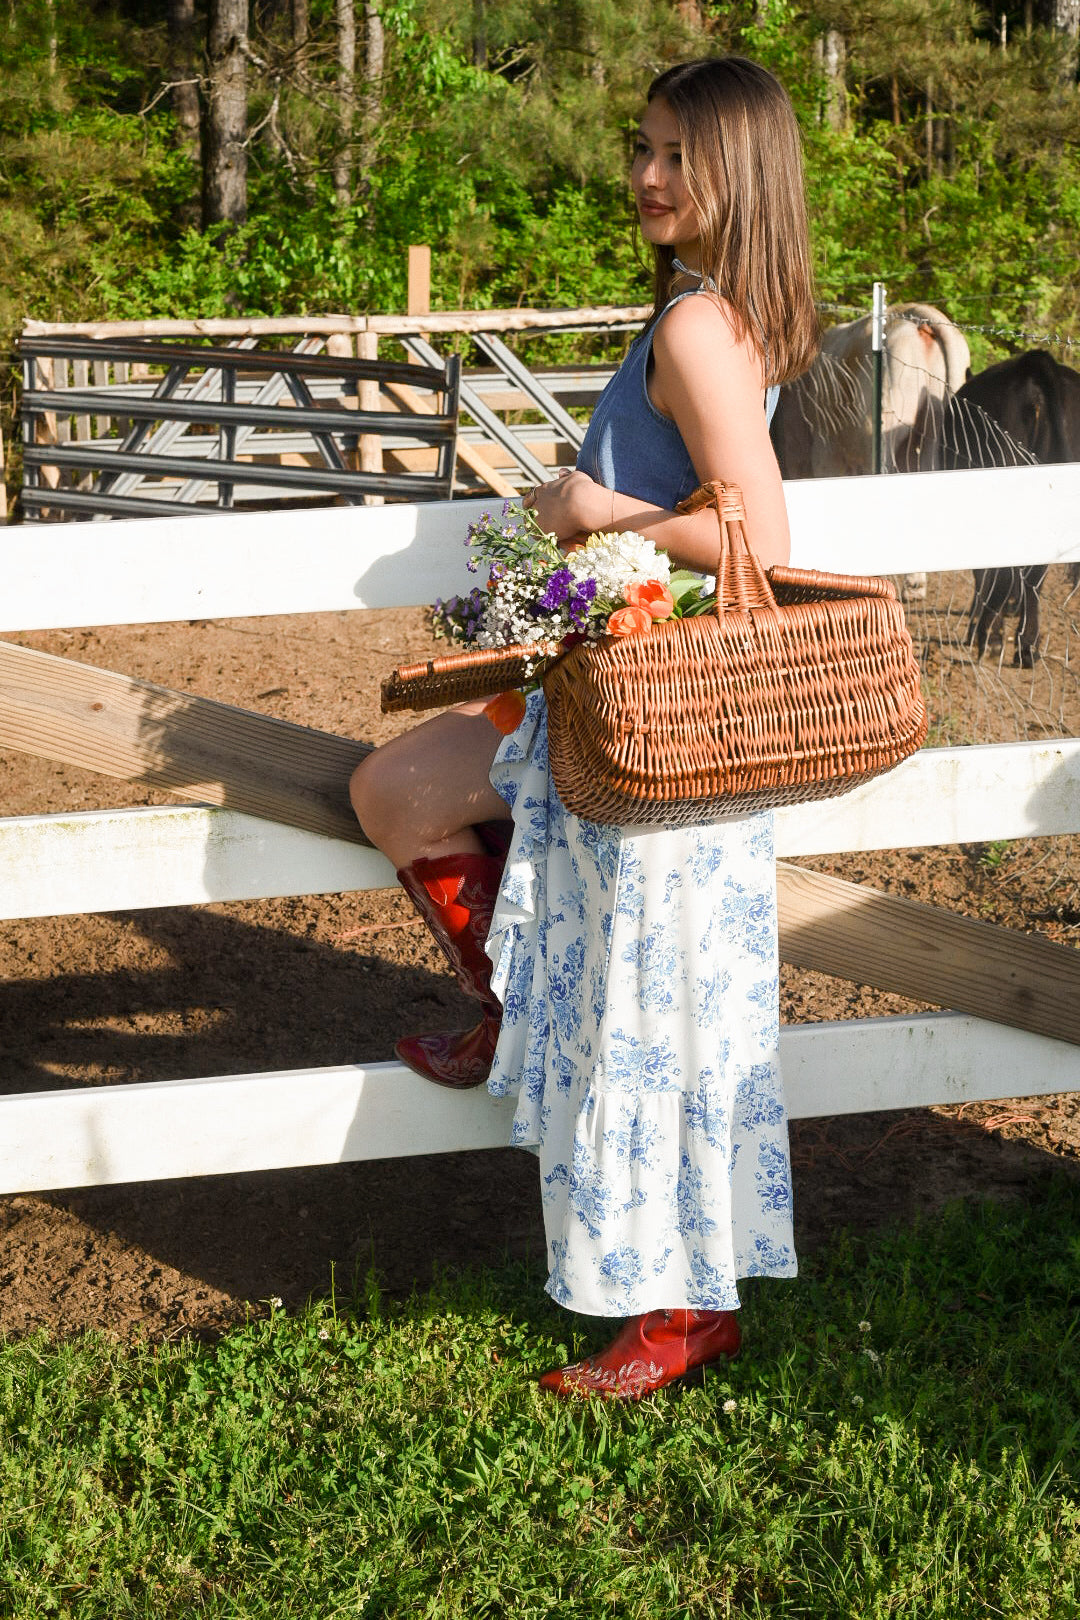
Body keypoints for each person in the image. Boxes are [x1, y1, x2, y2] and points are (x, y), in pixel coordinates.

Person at [350, 54, 819, 1400]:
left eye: (676, 153)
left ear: (738, 168)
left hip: (648, 704)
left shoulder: (698, 328)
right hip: (611, 686)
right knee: (402, 792)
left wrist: (592, 514)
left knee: (649, 1007)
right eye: (643, 147)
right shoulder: (720, 313)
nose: (647, 174)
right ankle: (510, 1006)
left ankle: (678, 1315)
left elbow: (761, 537)